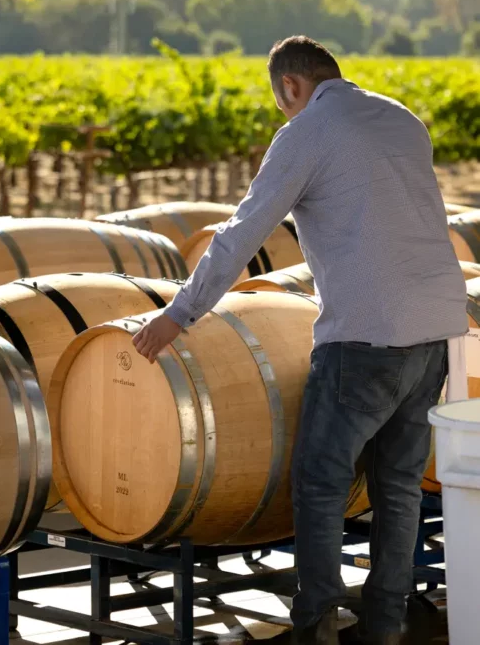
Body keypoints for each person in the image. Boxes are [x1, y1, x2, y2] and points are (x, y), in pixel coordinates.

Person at [133, 35, 468, 645]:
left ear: (290, 85)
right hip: (439, 327)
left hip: (368, 333)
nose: (284, 114)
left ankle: (315, 624)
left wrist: (179, 314)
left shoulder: (308, 131)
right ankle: (385, 628)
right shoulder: (402, 118)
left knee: (321, 479)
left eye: (281, 102)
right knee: (396, 486)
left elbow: (241, 233)